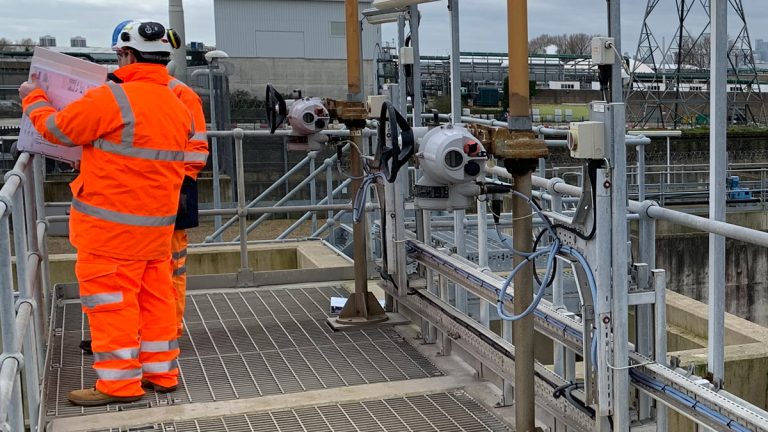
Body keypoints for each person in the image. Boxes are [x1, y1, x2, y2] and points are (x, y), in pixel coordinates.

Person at [20, 20, 192, 406]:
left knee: (112, 306)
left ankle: (119, 385)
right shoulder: (176, 104)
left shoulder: (112, 99)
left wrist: (33, 98)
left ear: (127, 55)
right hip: (156, 228)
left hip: (111, 230)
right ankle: (161, 373)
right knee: (155, 301)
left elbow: (58, 129)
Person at [79, 20, 209, 354]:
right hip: (146, 193)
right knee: (141, 272)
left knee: (165, 269)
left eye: (121, 55)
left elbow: (196, 149)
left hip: (167, 192)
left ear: (130, 55)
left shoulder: (178, 94)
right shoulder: (137, 92)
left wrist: (166, 182)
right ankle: (130, 336)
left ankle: (162, 333)